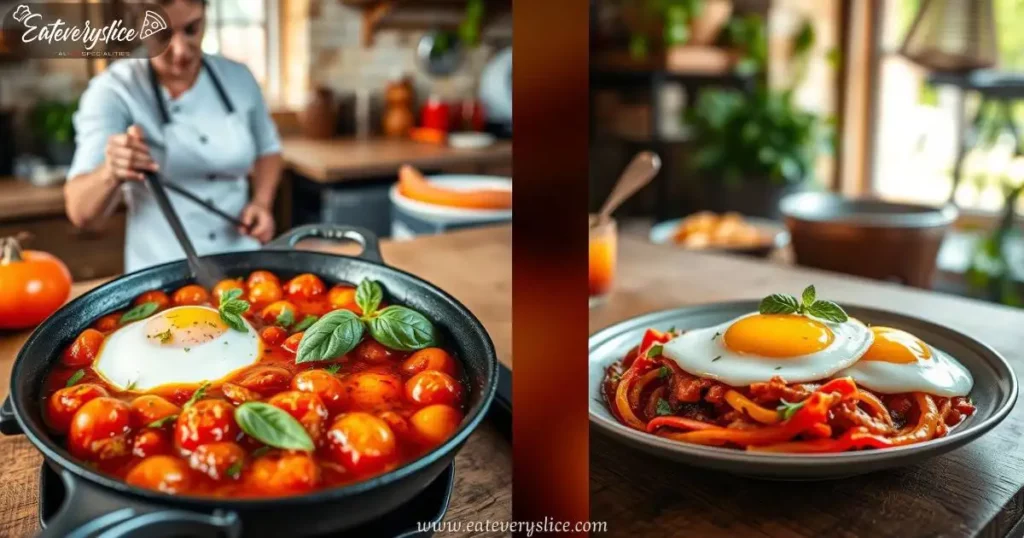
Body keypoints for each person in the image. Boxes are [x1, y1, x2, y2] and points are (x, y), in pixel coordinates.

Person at [64, 0, 282, 272]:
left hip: (243, 261)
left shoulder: (239, 77)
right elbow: (81, 213)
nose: (180, 50)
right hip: (163, 272)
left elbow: (268, 149)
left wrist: (261, 202)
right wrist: (111, 170)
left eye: (192, 29)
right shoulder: (113, 91)